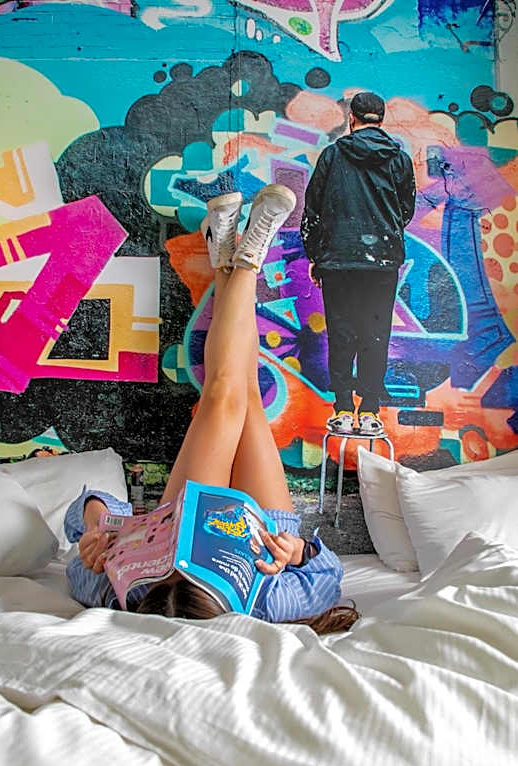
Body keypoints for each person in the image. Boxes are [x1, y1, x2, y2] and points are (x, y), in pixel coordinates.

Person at [64, 184, 358, 635]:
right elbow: (328, 575)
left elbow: (84, 519)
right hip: (265, 531)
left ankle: (244, 261)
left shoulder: (122, 593)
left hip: (182, 516)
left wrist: (92, 530)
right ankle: (230, 258)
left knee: (223, 394)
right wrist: (299, 553)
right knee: (247, 395)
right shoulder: (269, 604)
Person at [301, 91, 416, 436]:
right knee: (375, 334)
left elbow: (313, 210)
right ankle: (369, 411)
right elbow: (405, 211)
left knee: (341, 333)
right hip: (383, 261)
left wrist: (315, 256)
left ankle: (341, 409)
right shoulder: (399, 159)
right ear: (381, 119)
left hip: (338, 260)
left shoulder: (333, 155)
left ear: (351, 118)